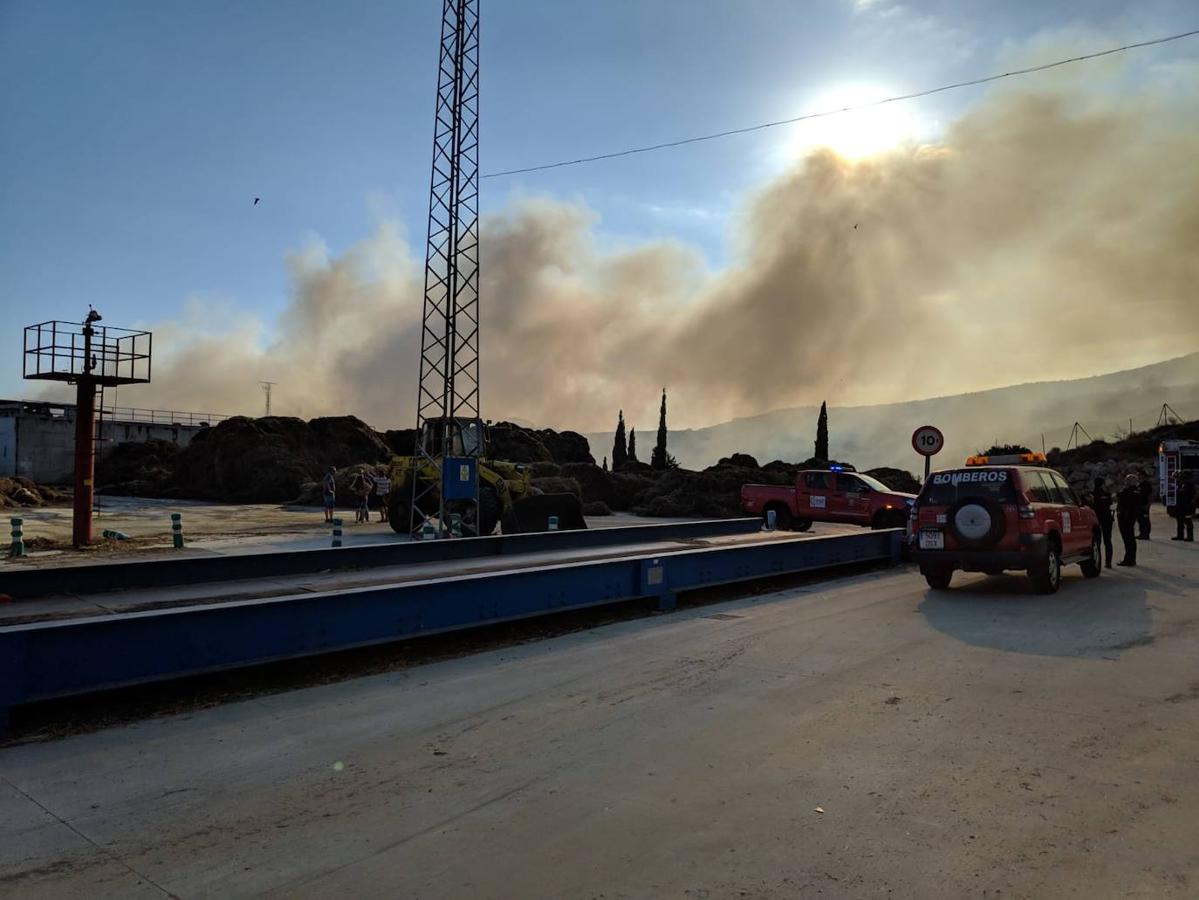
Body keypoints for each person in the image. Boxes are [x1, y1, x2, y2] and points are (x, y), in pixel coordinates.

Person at [1088, 477, 1115, 568]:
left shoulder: (1091, 495)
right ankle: (1108, 562)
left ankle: (1097, 561)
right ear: (1103, 484)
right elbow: (1110, 503)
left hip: (1096, 519)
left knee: (1096, 542)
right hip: (1107, 518)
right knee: (1107, 541)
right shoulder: (1107, 494)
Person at [1116, 473, 1141, 566]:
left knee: (1128, 539)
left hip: (1126, 517)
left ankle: (1129, 559)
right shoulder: (1136, 491)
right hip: (1130, 516)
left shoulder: (1129, 491)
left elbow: (1120, 496)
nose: (1126, 482)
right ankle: (1131, 559)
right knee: (1130, 539)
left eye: (1128, 480)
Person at [1173, 470, 1195, 543]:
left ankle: (1190, 536)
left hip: (1187, 506)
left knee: (1188, 521)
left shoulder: (1189, 484)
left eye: (1178, 477)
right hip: (1180, 506)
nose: (1176, 479)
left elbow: (1193, 494)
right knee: (1179, 521)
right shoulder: (1179, 484)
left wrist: (1192, 502)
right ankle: (1180, 535)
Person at [1137, 475, 1153, 540]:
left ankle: (1146, 534)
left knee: (1145, 520)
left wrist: (1148, 505)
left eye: (1140, 475)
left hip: (1145, 505)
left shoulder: (1147, 485)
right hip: (1139, 505)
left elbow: (1150, 495)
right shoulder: (1139, 485)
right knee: (1140, 520)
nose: (1139, 477)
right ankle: (1141, 533)